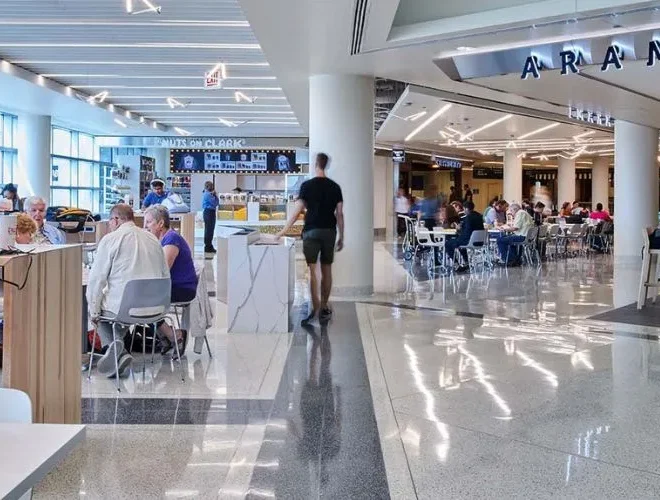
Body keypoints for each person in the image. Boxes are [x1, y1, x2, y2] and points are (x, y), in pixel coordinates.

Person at [87, 204, 170, 378]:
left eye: (110, 221)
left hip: (126, 309)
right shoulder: (153, 239)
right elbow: (165, 274)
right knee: (117, 310)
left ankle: (117, 351)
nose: (110, 225)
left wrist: (93, 311)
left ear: (116, 219)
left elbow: (96, 280)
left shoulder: (111, 240)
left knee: (99, 311)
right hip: (156, 308)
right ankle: (118, 350)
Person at [277, 153, 344, 325]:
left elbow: (297, 210)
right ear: (326, 165)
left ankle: (315, 308)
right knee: (327, 268)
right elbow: (339, 214)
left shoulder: (306, 186)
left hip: (311, 231)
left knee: (312, 271)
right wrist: (342, 236)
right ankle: (323, 307)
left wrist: (283, 231)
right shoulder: (335, 187)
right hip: (329, 230)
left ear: (316, 164)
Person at [144, 205, 198, 357]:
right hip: (172, 286)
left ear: (160, 224)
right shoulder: (164, 240)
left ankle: (174, 335)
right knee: (140, 299)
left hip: (181, 288)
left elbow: (163, 270)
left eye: (148, 222)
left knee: (141, 301)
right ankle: (165, 337)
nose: (145, 227)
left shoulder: (172, 240)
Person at [445, 201, 484, 272]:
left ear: (466, 209)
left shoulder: (468, 218)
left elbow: (466, 232)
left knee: (448, 244)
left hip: (469, 240)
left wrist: (459, 228)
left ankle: (456, 264)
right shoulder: (479, 216)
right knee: (459, 244)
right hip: (480, 241)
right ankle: (466, 263)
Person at [202, 181, 219, 253]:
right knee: (209, 230)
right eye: (211, 186)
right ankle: (208, 246)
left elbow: (216, 203)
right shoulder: (208, 194)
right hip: (209, 212)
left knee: (210, 229)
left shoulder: (208, 194)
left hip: (210, 212)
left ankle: (209, 245)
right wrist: (215, 195)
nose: (212, 187)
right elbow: (215, 203)